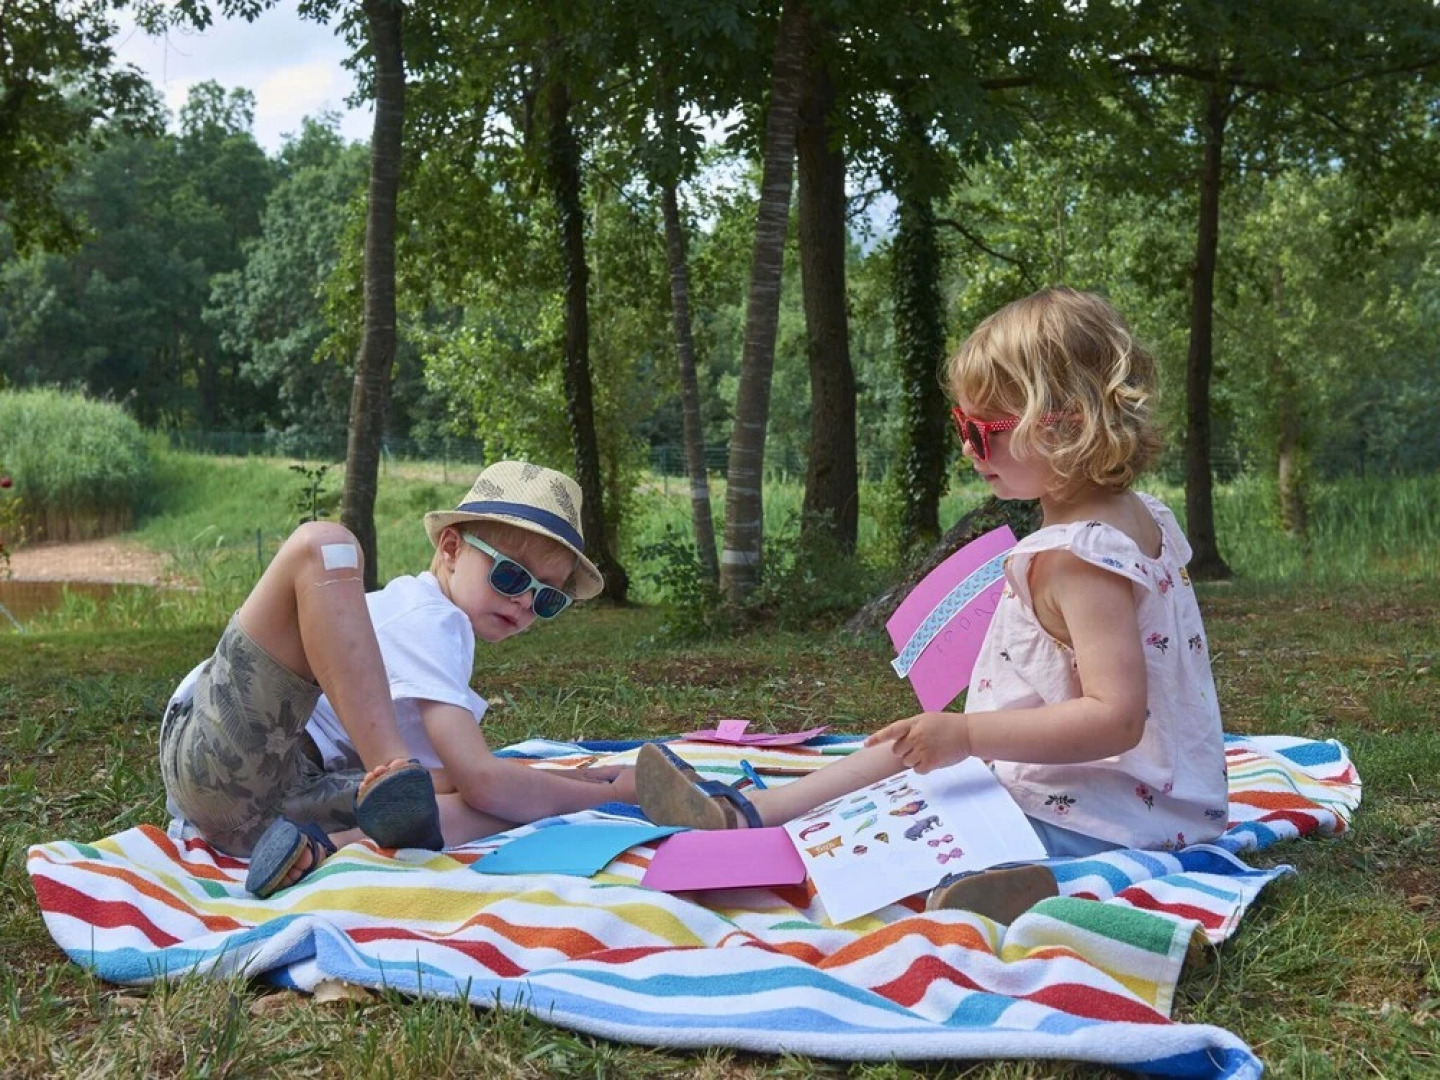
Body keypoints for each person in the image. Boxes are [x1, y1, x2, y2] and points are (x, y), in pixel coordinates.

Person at [636, 287, 1228, 923]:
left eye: (983, 433)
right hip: (1151, 794)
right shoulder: (1142, 517)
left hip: (1098, 809)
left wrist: (969, 734)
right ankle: (747, 813)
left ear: (1068, 424)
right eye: (961, 428)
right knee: (907, 750)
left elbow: (1116, 720)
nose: (969, 452)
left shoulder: (1078, 557)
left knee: (902, 821)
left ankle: (1017, 881)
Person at [160, 460, 635, 898]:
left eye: (547, 598)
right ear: (451, 548)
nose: (525, 603)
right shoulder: (427, 615)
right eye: (512, 577)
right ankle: (389, 777)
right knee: (325, 546)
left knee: (465, 799)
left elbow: (468, 786)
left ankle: (321, 853)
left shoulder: (450, 637)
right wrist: (609, 795)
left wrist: (582, 784)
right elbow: (482, 779)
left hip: (270, 814)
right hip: (219, 746)